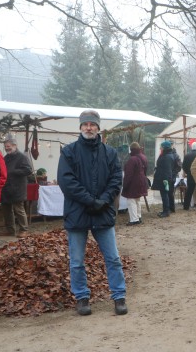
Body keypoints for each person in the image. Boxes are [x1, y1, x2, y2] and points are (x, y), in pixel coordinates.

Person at [57, 110, 127, 316]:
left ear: (98, 127)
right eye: (85, 124)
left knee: (113, 258)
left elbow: (116, 179)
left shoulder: (110, 153)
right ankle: (81, 297)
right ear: (80, 127)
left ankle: (119, 296)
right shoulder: (69, 152)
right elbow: (66, 181)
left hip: (103, 212)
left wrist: (104, 200)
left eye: (92, 124)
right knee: (77, 261)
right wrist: (89, 200)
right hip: (77, 212)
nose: (89, 127)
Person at [0, 137, 32, 237]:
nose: (7, 148)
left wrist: (13, 172)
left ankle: (24, 230)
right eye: (5, 147)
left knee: (19, 210)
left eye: (8, 146)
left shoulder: (22, 157)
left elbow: (28, 170)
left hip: (17, 188)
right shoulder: (6, 157)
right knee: (6, 210)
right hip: (6, 188)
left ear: (15, 146)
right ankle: (10, 230)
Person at [121, 142, 148, 226]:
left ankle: (134, 219)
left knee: (131, 200)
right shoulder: (144, 157)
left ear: (131, 149)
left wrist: (125, 185)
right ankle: (138, 216)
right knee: (137, 199)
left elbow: (128, 174)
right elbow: (145, 170)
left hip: (134, 182)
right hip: (142, 180)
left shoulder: (132, 159)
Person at [152, 141, 175, 218]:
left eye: (161, 147)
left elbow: (167, 169)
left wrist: (165, 180)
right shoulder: (166, 155)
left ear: (165, 147)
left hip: (164, 178)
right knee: (164, 195)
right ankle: (165, 210)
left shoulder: (167, 156)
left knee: (165, 195)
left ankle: (166, 211)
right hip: (163, 177)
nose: (160, 148)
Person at [182, 141, 196, 211]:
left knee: (189, 191)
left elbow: (183, 166)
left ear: (191, 147)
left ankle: (186, 206)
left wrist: (188, 172)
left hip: (190, 175)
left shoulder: (187, 155)